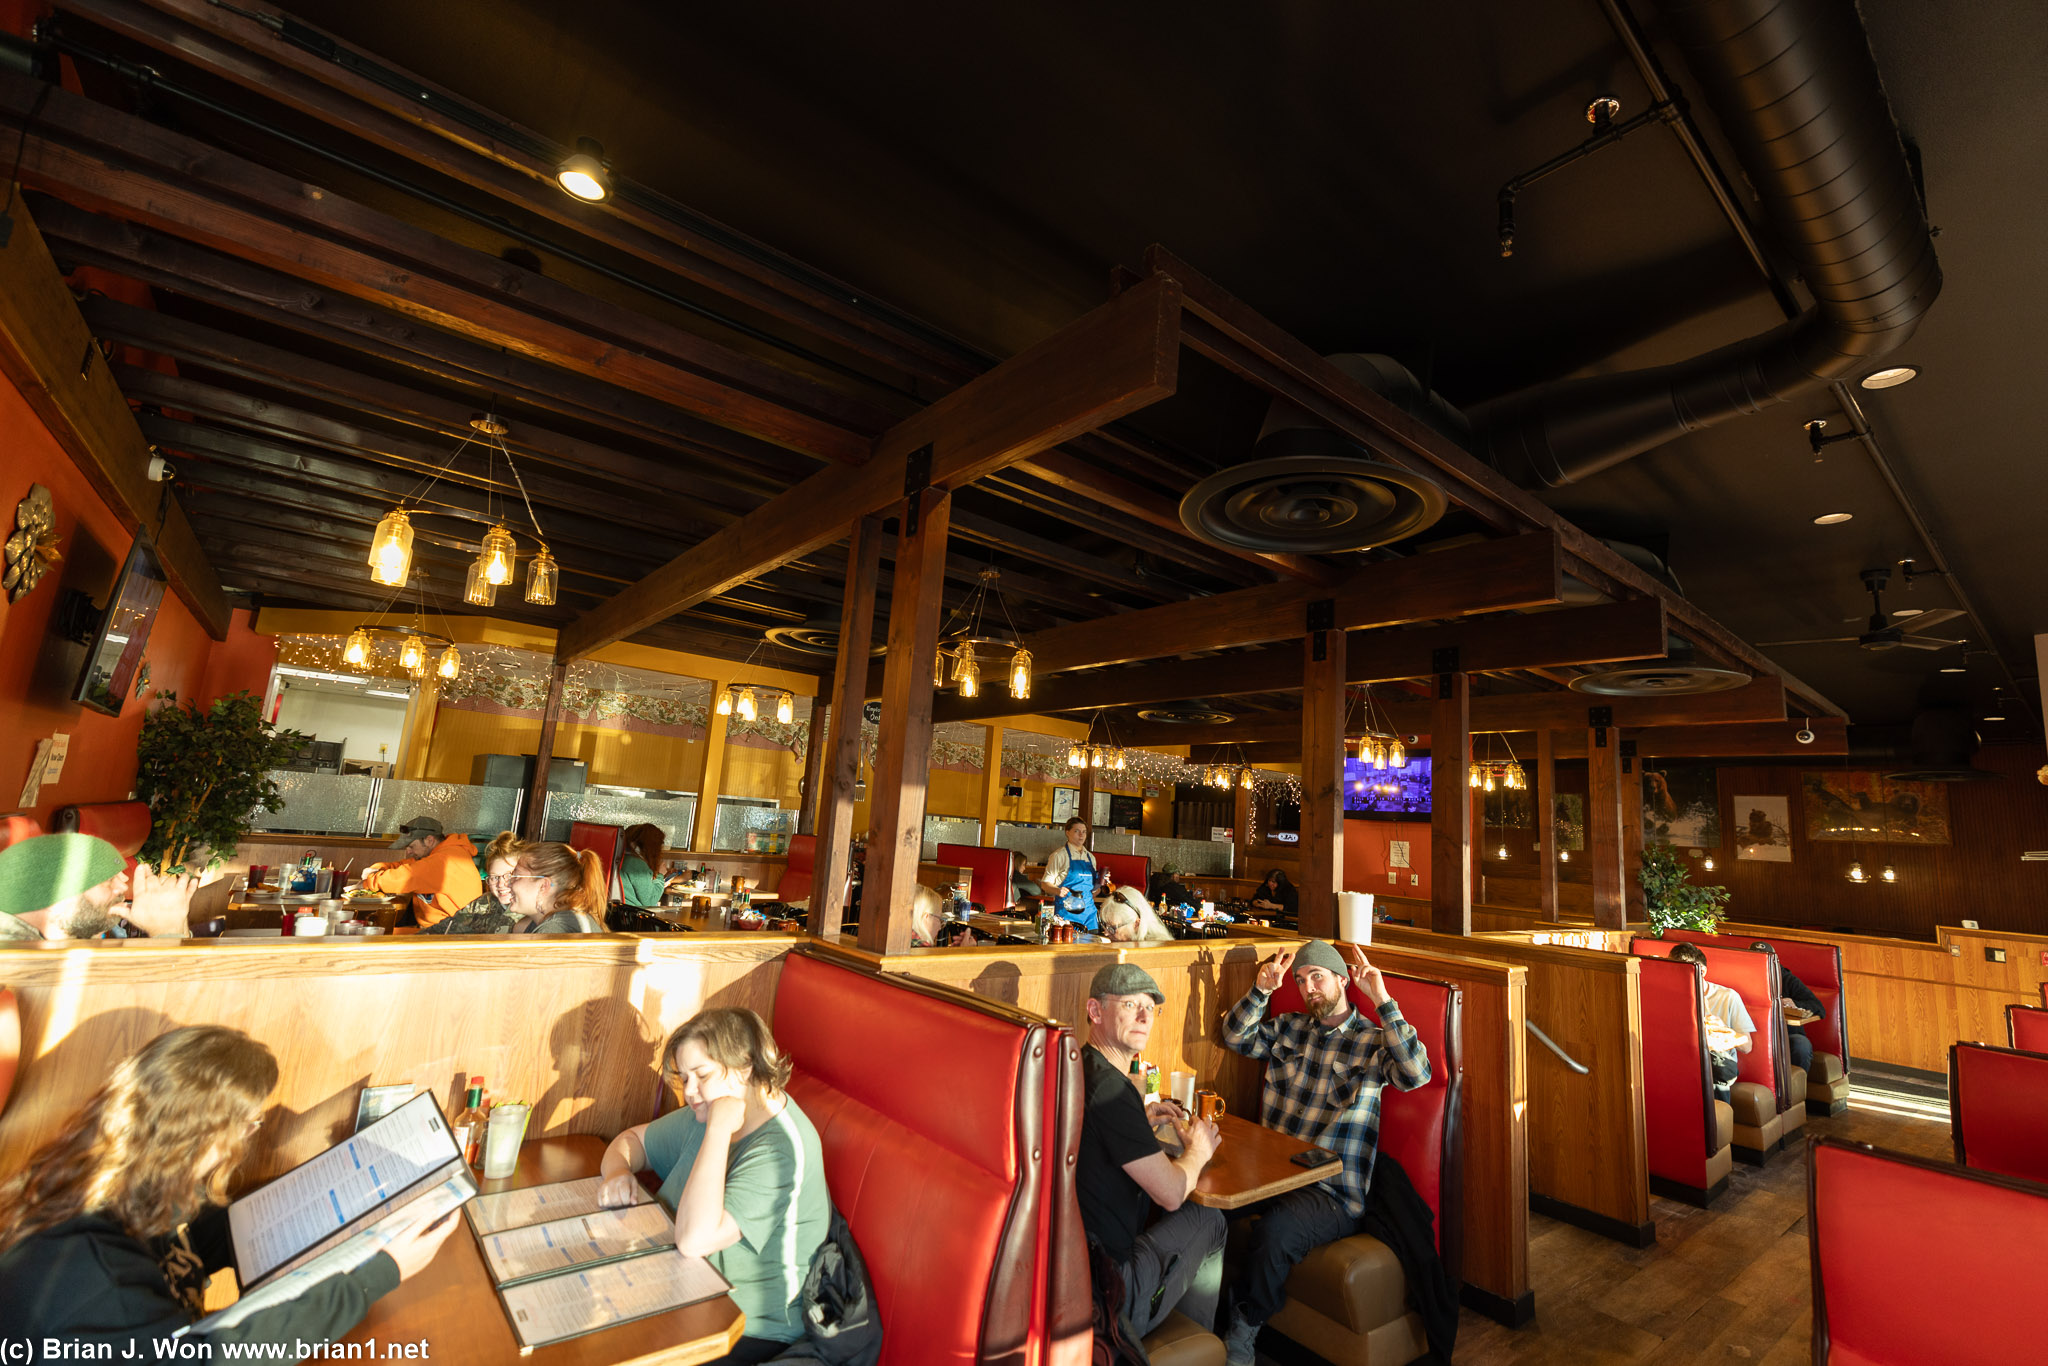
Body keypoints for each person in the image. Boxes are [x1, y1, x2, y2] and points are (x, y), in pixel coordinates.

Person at [0, 1025, 457, 1355]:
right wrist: (377, 1274)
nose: (249, 1137)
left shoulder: (126, 1176)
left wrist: (332, 1204)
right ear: (200, 1133)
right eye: (249, 1123)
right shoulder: (99, 1279)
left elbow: (199, 1238)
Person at [1218, 940, 1431, 1366]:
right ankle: (1200, 1320)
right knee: (1207, 1211)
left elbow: (1415, 1073)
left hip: (1331, 1192)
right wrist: (1261, 990)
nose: (1308, 987)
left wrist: (1383, 1000)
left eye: (1317, 976)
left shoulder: (1371, 1040)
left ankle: (1244, 1329)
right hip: (1271, 1174)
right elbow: (1234, 1036)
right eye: (1300, 980)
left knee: (1275, 1234)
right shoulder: (1289, 1027)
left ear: (1341, 979)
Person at [595, 1008, 829, 1365]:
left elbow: (694, 1240)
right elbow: (631, 1141)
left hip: (744, 1328)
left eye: (701, 1075)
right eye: (684, 1077)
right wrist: (617, 1173)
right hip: (678, 1288)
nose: (689, 1092)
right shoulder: (705, 1112)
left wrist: (719, 1129)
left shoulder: (779, 1149)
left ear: (745, 1067)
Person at [1077, 962, 1225, 1339]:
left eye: (1151, 1007)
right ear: (1096, 1011)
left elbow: (1094, 1140)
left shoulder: (1082, 1066)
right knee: (1212, 1221)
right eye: (1130, 1005)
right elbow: (1173, 1193)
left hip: (1079, 1268)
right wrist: (1199, 1151)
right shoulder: (1112, 1090)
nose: (1144, 1016)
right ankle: (1194, 1345)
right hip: (1111, 1290)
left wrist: (1139, 1122)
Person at [0, 833, 199, 941]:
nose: (122, 888)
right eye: (108, 880)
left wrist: (175, 922)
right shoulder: (10, 954)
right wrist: (167, 931)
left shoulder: (54, 943)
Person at [360, 815, 481, 929]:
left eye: (411, 846)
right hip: (441, 928)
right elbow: (407, 865)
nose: (408, 852)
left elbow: (403, 877)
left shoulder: (444, 860)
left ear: (429, 840)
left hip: (451, 934)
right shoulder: (439, 855)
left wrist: (370, 879)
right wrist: (378, 869)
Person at [1670, 943, 1755, 1098]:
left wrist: (1725, 1032)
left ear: (1702, 971)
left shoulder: (1728, 996)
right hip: (1683, 1056)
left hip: (1719, 1060)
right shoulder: (1668, 996)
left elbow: (1747, 1045)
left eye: (1682, 972)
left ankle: (1717, 1120)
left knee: (1713, 1063)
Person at [421, 832, 526, 935]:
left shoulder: (533, 911)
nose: (501, 884)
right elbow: (447, 927)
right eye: (494, 877)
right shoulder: (484, 902)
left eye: (509, 876)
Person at [503, 841, 607, 933]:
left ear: (543, 886)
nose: (507, 883)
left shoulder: (554, 930)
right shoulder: (569, 919)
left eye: (516, 877)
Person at [1753, 941, 1826, 1071]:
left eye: (1767, 960)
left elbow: (1818, 1007)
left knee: (1801, 1045)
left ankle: (1796, 1087)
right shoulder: (1743, 977)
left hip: (1787, 1033)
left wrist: (1794, 1004)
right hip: (1753, 1032)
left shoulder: (1788, 980)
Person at [1040, 817, 1100, 933]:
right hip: (1067, 916)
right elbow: (1044, 884)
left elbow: (1094, 891)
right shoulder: (1059, 856)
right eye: (1077, 831)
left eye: (1084, 832)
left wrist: (1099, 886)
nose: (1081, 835)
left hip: (1089, 916)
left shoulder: (1091, 858)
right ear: (1067, 832)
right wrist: (1058, 891)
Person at [1099, 885, 1173, 944]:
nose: (1106, 933)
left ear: (1137, 924)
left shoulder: (1153, 954)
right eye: (1105, 925)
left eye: (1112, 929)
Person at [619, 824, 669, 908]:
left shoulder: (622, 858)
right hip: (632, 913)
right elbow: (650, 900)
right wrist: (660, 875)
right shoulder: (637, 864)